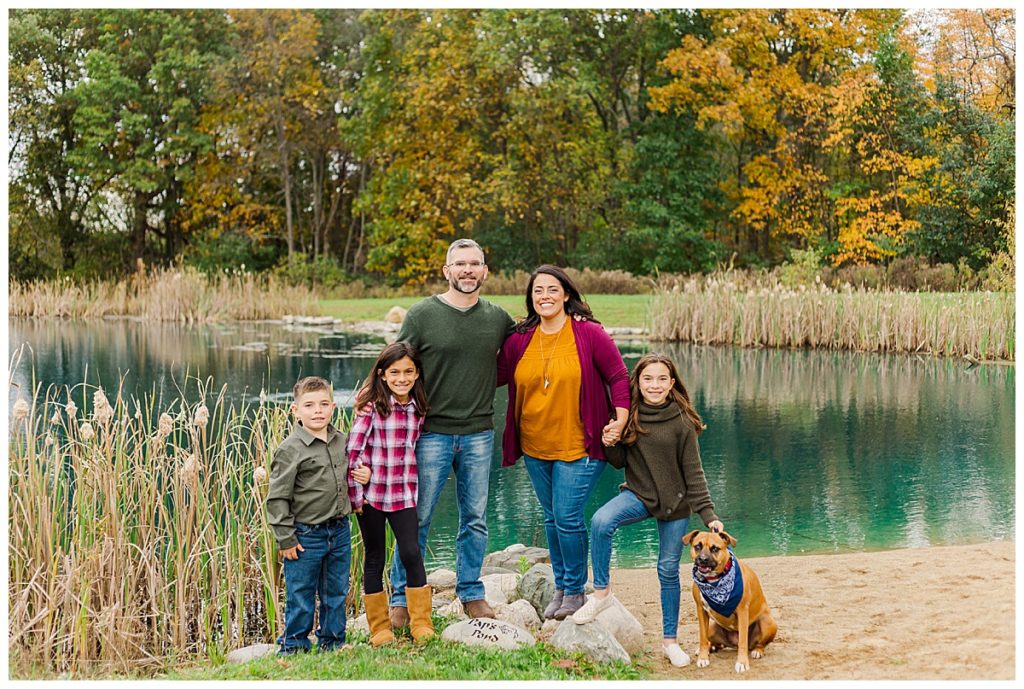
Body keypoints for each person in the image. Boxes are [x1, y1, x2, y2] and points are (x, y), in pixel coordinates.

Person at [387, 238, 515, 625]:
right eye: (460, 264)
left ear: (485, 271)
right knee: (418, 518)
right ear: (446, 271)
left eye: (474, 264)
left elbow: (522, 355)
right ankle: (401, 596)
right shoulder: (423, 314)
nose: (467, 271)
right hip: (431, 433)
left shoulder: (498, 319)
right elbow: (396, 367)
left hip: (478, 432)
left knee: (475, 517)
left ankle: (471, 591)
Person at [572, 352, 724, 668]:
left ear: (672, 383)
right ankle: (601, 593)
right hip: (639, 494)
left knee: (667, 570)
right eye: (647, 379)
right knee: (601, 521)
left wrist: (709, 515)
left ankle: (670, 642)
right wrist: (609, 439)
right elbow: (618, 462)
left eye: (661, 379)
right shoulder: (631, 415)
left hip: (677, 503)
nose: (654, 385)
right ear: (637, 382)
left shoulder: (682, 422)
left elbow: (694, 473)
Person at [497, 265, 630, 620]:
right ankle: (561, 586)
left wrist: (621, 418)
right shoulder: (519, 341)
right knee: (553, 518)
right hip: (535, 447)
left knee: (568, 516)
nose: (545, 296)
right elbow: (491, 375)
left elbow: (618, 376)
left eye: (552, 290)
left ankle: (575, 589)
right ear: (531, 298)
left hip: (581, 445)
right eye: (538, 291)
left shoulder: (589, 334)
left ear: (566, 294)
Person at [347, 342, 434, 645]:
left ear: (417, 373)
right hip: (372, 497)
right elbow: (353, 451)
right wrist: (357, 497)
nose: (402, 378)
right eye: (394, 372)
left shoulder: (418, 407)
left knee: (411, 552)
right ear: (382, 375)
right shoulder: (371, 406)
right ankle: (379, 628)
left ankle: (421, 622)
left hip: (404, 493)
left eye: (408, 371)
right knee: (375, 558)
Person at [266, 376, 353, 654]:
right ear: (296, 411)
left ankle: (332, 641)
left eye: (324, 404)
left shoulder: (342, 441)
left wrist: (361, 476)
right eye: (310, 405)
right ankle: (294, 645)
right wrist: (285, 539)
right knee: (301, 594)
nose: (318, 410)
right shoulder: (290, 449)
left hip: (339, 531)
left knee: (336, 592)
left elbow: (344, 479)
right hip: (306, 535)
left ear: (333, 407)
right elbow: (278, 497)